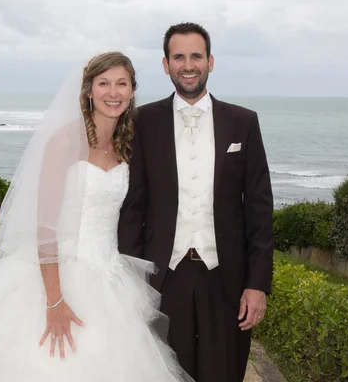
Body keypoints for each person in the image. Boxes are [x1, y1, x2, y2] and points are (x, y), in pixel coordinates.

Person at [0, 52, 192, 381]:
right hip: (57, 280)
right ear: (89, 90)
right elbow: (45, 226)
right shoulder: (65, 140)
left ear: (133, 91)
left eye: (122, 83)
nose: (113, 92)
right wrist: (54, 302)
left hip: (111, 279)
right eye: (104, 83)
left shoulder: (126, 146)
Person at [118, 22, 275, 382]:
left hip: (227, 277)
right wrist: (133, 282)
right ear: (165, 64)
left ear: (210, 61)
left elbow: (259, 209)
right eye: (178, 57)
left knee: (225, 372)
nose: (188, 65)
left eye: (196, 56)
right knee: (166, 372)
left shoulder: (243, 122)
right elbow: (133, 207)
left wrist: (257, 284)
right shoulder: (142, 122)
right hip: (163, 276)